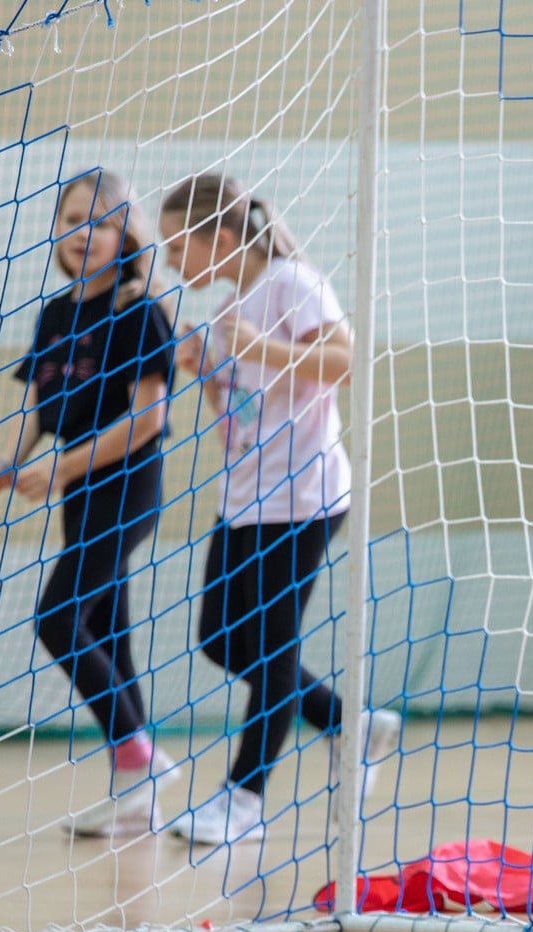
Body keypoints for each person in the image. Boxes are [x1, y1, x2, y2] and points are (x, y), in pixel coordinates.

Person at [157, 172, 399, 846]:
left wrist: (257, 347)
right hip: (244, 498)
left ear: (221, 238)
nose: (170, 260)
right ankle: (348, 723)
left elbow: (348, 360)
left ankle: (243, 801)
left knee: (272, 644)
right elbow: (242, 414)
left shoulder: (293, 283)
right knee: (219, 637)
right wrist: (205, 373)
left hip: (302, 498)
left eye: (177, 244)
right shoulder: (228, 307)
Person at [0, 167, 179, 838]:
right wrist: (5, 469)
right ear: (57, 228)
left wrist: (61, 468)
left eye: (103, 223)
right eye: (75, 219)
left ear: (126, 236)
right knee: (110, 635)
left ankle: (141, 755)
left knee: (57, 618)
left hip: (126, 486)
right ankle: (137, 797)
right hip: (78, 489)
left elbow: (147, 420)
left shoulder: (137, 311)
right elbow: (39, 405)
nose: (86, 233)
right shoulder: (55, 313)